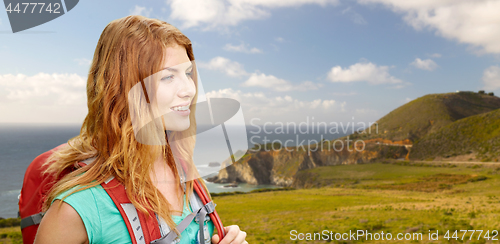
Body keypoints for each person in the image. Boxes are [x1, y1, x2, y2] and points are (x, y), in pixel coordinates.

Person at [34, 15, 247, 244]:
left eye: (187, 73)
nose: (189, 90)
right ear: (125, 89)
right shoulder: (76, 208)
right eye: (167, 77)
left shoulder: (186, 174)